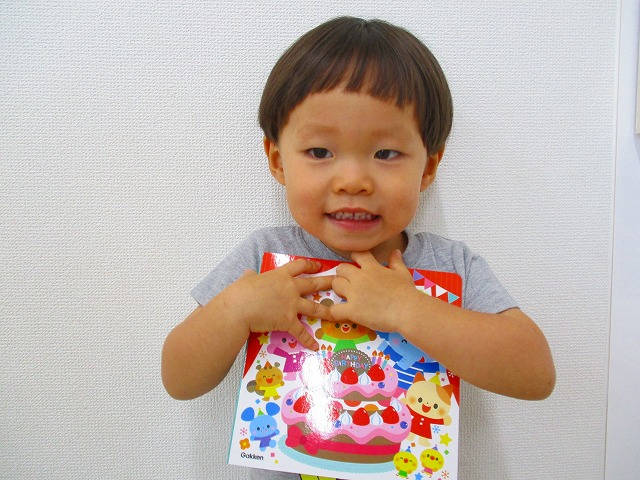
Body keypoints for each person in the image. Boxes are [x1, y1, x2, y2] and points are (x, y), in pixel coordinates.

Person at [161, 16, 555, 480]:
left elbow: (535, 374)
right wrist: (236, 310)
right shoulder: (265, 260)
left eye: (386, 154)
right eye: (320, 152)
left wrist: (407, 308)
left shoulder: (450, 266)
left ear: (429, 167)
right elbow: (179, 380)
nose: (353, 181)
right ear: (277, 161)